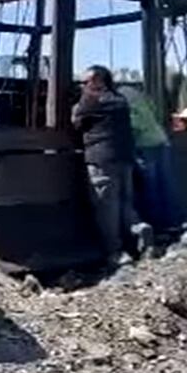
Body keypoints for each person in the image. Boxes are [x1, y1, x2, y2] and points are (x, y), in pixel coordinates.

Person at [72, 66, 153, 266]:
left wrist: (84, 98)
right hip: (124, 159)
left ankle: (115, 253)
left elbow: (76, 121)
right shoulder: (120, 100)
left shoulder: (92, 100)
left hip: (102, 160)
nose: (82, 86)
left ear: (98, 81)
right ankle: (138, 227)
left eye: (85, 82)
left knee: (106, 208)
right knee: (125, 202)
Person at [119, 85, 179, 231]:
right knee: (166, 184)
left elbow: (136, 125)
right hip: (161, 141)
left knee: (150, 186)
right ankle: (172, 222)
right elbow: (156, 115)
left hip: (146, 145)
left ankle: (156, 224)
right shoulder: (145, 99)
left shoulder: (123, 101)